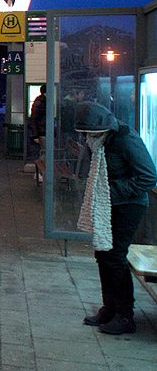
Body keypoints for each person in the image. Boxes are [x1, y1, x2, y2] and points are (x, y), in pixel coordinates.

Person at [75, 101, 156, 335]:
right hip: (108, 203)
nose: (89, 137)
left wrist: (111, 191)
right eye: (86, 132)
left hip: (130, 205)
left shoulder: (125, 139)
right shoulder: (97, 141)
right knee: (102, 254)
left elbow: (148, 178)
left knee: (116, 257)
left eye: (92, 132)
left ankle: (125, 315)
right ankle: (109, 308)